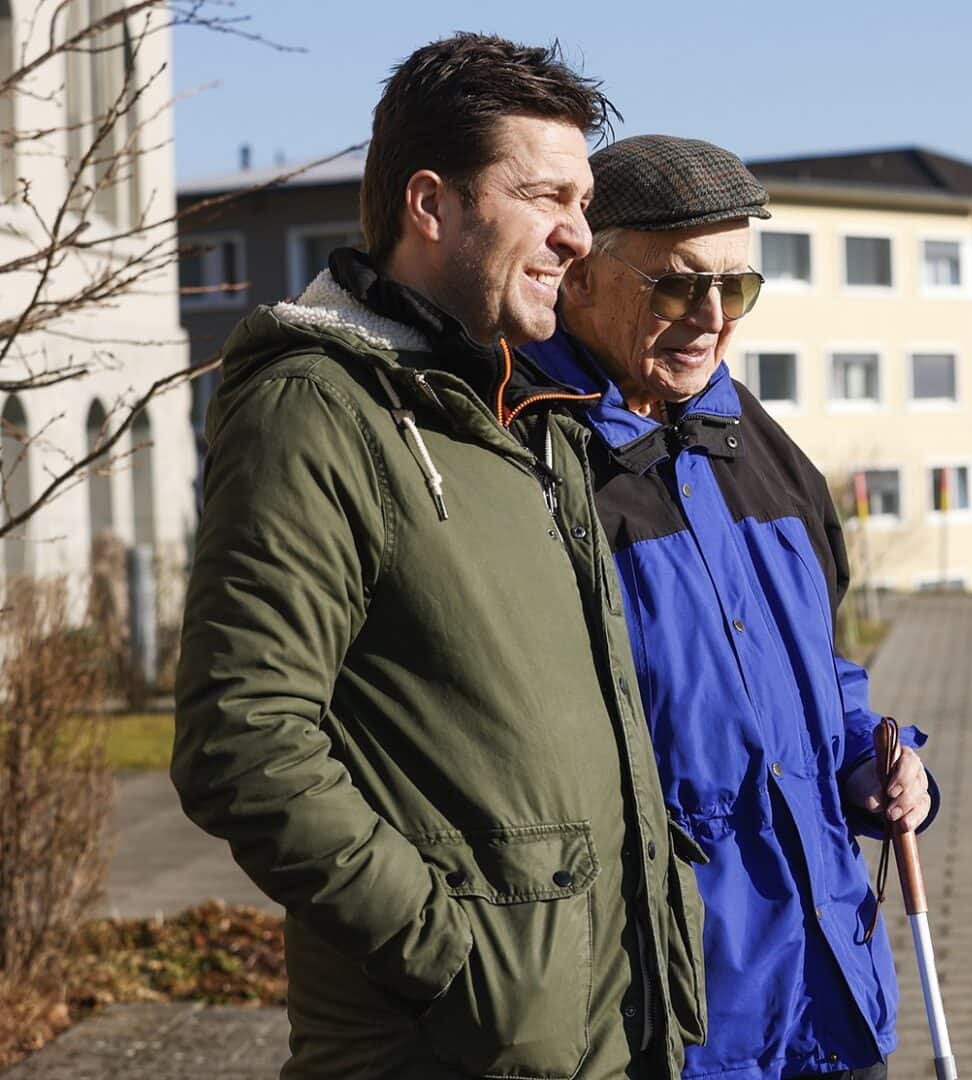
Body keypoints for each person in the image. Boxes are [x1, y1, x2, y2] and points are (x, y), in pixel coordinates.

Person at [172, 37, 703, 1079]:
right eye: (545, 195)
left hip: (600, 1024)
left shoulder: (521, 412)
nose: (576, 238)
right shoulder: (316, 408)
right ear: (432, 204)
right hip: (453, 1042)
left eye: (583, 201)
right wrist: (451, 952)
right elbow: (243, 739)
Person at [523, 135, 938, 1080]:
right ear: (581, 273)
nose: (709, 317)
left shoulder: (765, 449)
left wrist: (873, 758)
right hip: (674, 1016)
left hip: (832, 997)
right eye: (675, 287)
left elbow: (820, 671)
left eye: (736, 289)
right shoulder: (528, 460)